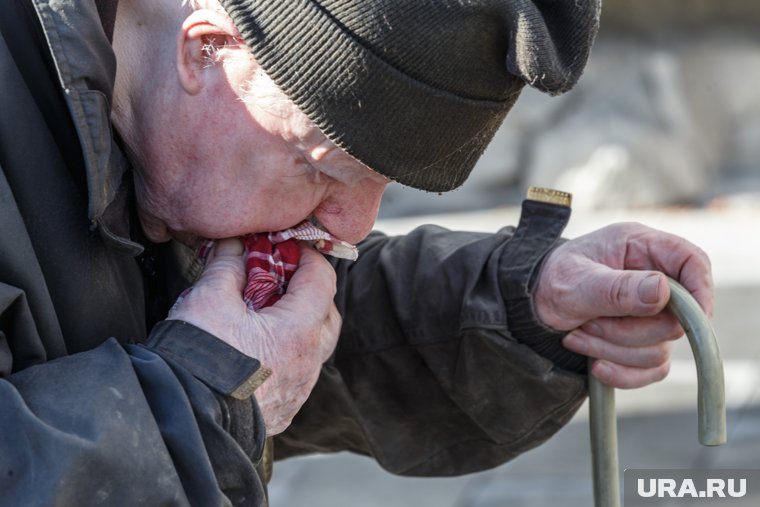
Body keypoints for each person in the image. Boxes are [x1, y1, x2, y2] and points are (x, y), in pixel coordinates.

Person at [0, 0, 713, 505]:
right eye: (322, 167)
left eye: (383, 186)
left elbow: (253, 337)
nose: (350, 226)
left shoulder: (173, 130)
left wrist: (519, 305)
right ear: (206, 50)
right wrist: (197, 399)